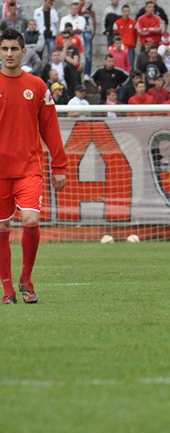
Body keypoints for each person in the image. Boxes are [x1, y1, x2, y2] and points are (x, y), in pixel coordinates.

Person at [0, 28, 68, 304]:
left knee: (31, 220)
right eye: (4, 49)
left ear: (23, 52)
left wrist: (59, 166)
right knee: (2, 228)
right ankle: (8, 290)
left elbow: (50, 129)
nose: (9, 54)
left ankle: (26, 278)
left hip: (29, 167)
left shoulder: (37, 86)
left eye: (14, 49)